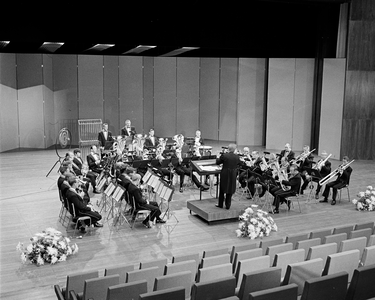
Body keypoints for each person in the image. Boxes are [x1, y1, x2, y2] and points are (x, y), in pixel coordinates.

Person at [215, 143, 240, 209]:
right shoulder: (237, 157)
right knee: (230, 188)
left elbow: (218, 162)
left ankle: (220, 204)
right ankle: (228, 205)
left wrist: (218, 156)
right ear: (234, 150)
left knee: (222, 188)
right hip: (233, 174)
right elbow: (238, 163)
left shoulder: (225, 155)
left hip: (225, 173)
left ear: (228, 149)